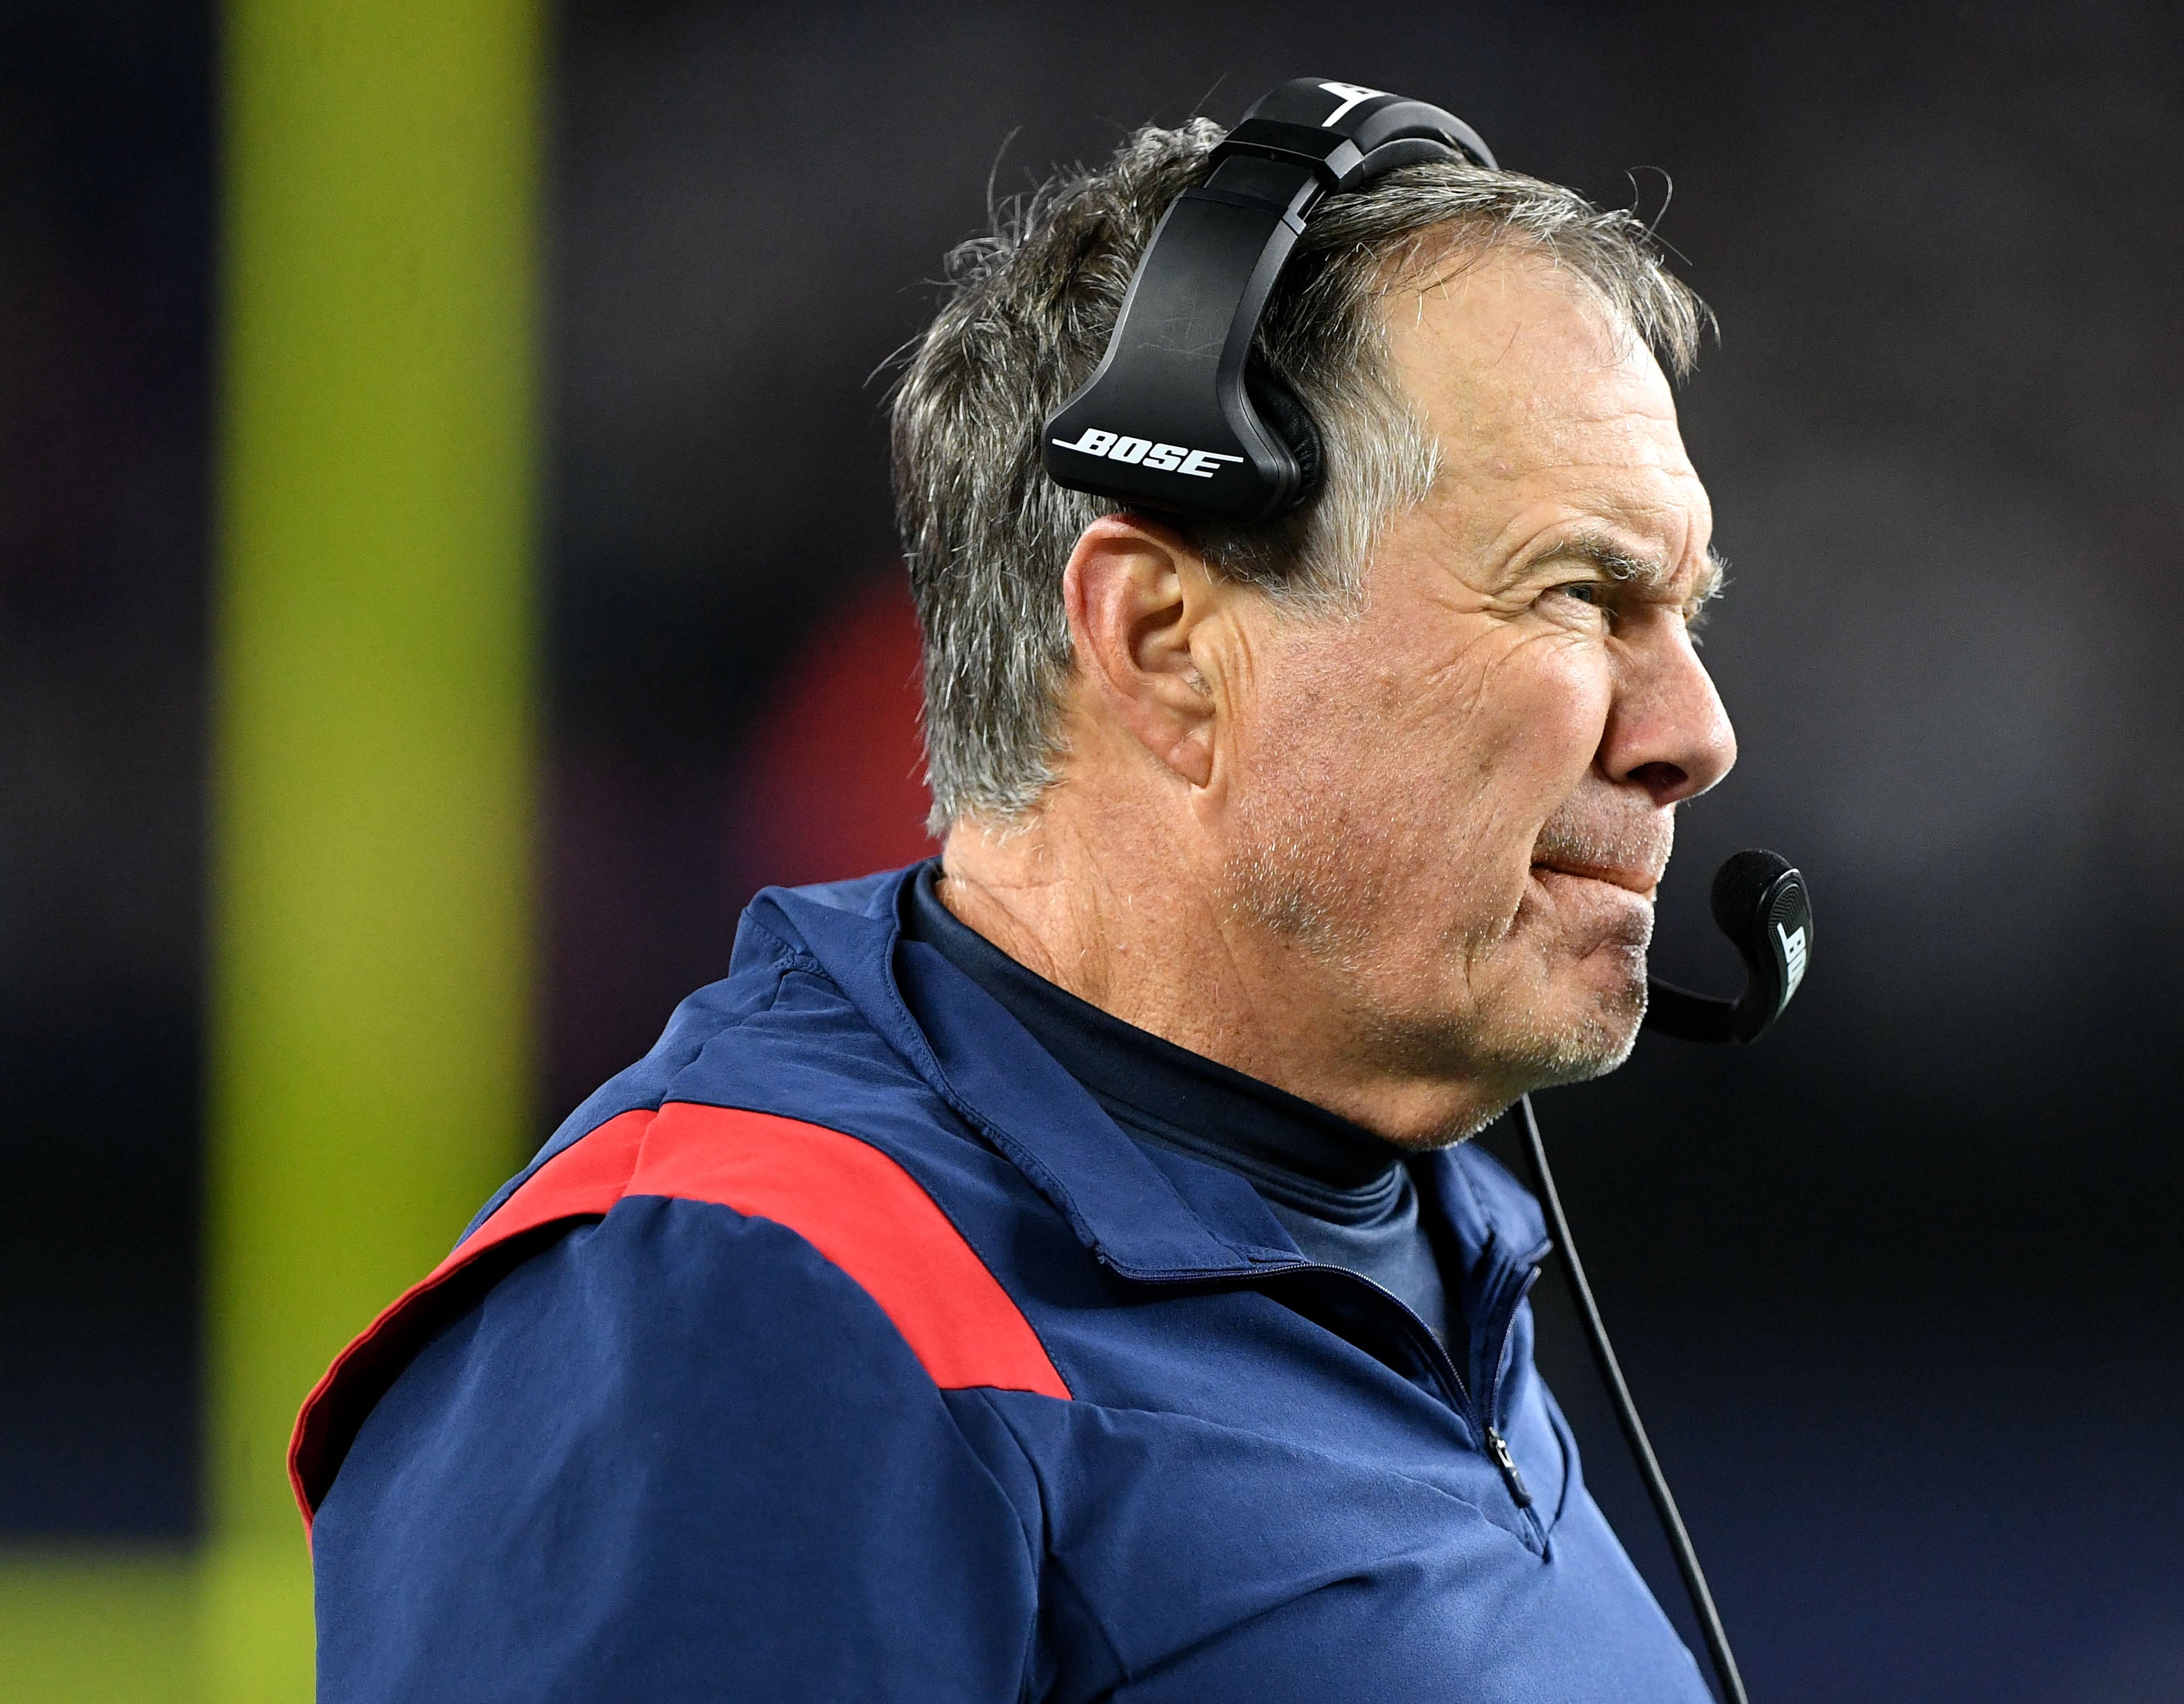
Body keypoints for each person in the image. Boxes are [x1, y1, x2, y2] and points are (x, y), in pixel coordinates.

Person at [295, 107, 1735, 1701]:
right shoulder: (739, 1305)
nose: (1691, 728)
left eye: (1678, 612)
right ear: (1166, 643)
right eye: (1579, 594)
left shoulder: (1408, 1243)